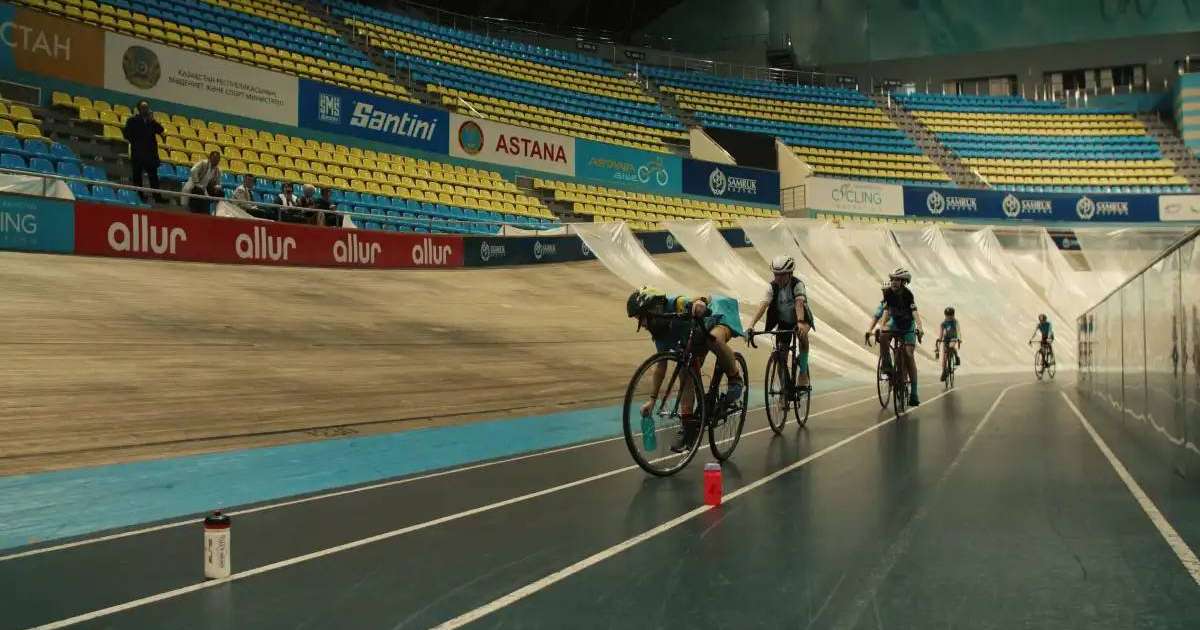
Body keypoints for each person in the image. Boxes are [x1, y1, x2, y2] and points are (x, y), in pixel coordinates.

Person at [627, 286, 745, 452]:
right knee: (685, 372)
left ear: (654, 309)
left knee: (714, 339)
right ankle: (689, 428)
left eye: (642, 318)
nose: (643, 324)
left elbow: (698, 299)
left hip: (718, 315)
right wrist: (652, 400)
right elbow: (661, 366)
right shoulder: (659, 333)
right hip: (697, 337)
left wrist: (698, 304)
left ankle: (735, 378)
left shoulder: (675, 303)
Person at [746, 255, 815, 393]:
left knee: (802, 336)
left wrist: (800, 322)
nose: (778, 278)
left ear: (790, 273)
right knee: (779, 356)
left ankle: (802, 371)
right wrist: (751, 324)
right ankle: (785, 390)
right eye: (776, 275)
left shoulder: (797, 284)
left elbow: (799, 304)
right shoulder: (771, 287)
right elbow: (763, 305)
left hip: (801, 319)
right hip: (783, 322)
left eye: (782, 275)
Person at [868, 268, 923, 407]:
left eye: (897, 280)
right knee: (884, 336)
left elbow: (915, 312)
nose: (893, 282)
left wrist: (920, 327)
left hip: (908, 327)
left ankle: (914, 393)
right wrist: (881, 327)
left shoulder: (908, 294)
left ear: (903, 282)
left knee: (908, 354)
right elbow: (885, 312)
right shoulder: (888, 294)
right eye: (892, 279)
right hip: (895, 324)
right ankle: (887, 365)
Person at [121, 100, 165, 202]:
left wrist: (152, 120)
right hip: (138, 153)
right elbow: (126, 134)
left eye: (147, 107)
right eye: (143, 107)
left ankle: (157, 197)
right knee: (137, 176)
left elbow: (161, 131)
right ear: (139, 109)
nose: (146, 109)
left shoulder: (151, 122)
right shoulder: (132, 120)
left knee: (153, 177)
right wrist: (137, 143)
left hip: (150, 154)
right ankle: (139, 196)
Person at [864, 284, 893, 371]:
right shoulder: (883, 304)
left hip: (898, 326)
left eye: (887, 291)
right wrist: (869, 330)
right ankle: (887, 365)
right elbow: (876, 317)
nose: (885, 293)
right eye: (883, 291)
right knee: (883, 342)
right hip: (887, 328)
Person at [936, 306, 963, 382]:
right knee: (944, 356)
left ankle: (956, 357)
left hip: (953, 338)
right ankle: (944, 371)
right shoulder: (943, 323)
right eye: (947, 315)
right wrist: (940, 339)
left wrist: (959, 339)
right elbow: (941, 333)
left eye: (951, 315)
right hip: (946, 339)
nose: (949, 317)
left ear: (953, 315)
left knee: (951, 346)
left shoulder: (955, 322)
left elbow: (958, 331)